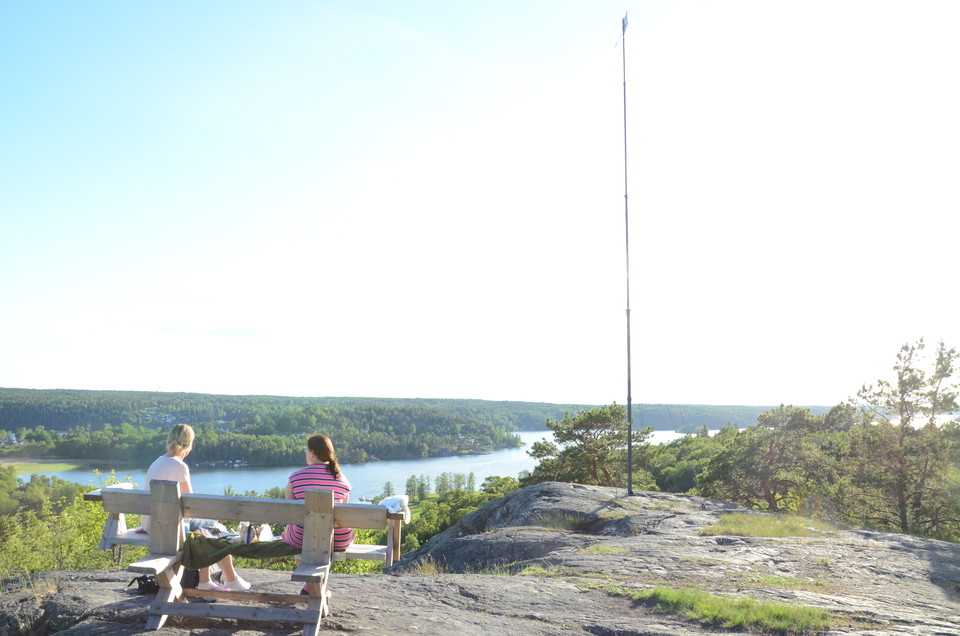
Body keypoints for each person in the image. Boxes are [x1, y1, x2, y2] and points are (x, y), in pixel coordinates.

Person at [143, 423, 250, 592]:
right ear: (189, 444)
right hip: (171, 529)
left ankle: (207, 580)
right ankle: (230, 579)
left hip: (151, 526)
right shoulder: (179, 466)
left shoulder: (157, 462)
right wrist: (210, 517)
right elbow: (192, 505)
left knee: (207, 528)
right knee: (215, 530)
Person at [282, 433, 354, 552]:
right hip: (339, 539)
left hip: (302, 539)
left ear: (312, 452)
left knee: (292, 528)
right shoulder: (342, 479)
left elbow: (290, 512)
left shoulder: (295, 477)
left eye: (306, 450)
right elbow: (343, 510)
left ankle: (302, 568)